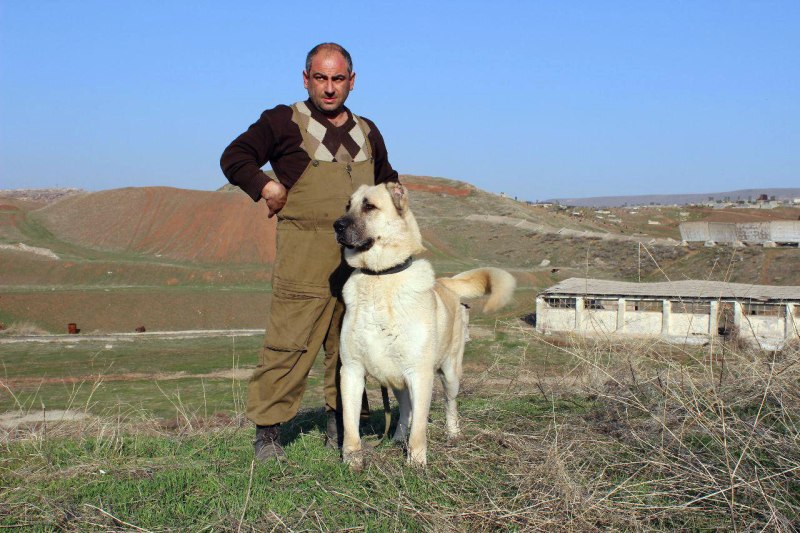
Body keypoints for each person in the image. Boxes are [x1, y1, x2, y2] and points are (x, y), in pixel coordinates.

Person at [220, 43, 399, 460]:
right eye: (321, 78)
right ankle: (268, 435)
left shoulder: (368, 131)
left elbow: (388, 183)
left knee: (351, 344)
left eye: (338, 79)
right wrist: (266, 185)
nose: (329, 88)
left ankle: (344, 427)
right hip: (304, 255)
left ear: (352, 81)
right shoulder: (283, 121)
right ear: (306, 79)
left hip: (358, 262)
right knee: (289, 343)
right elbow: (235, 157)